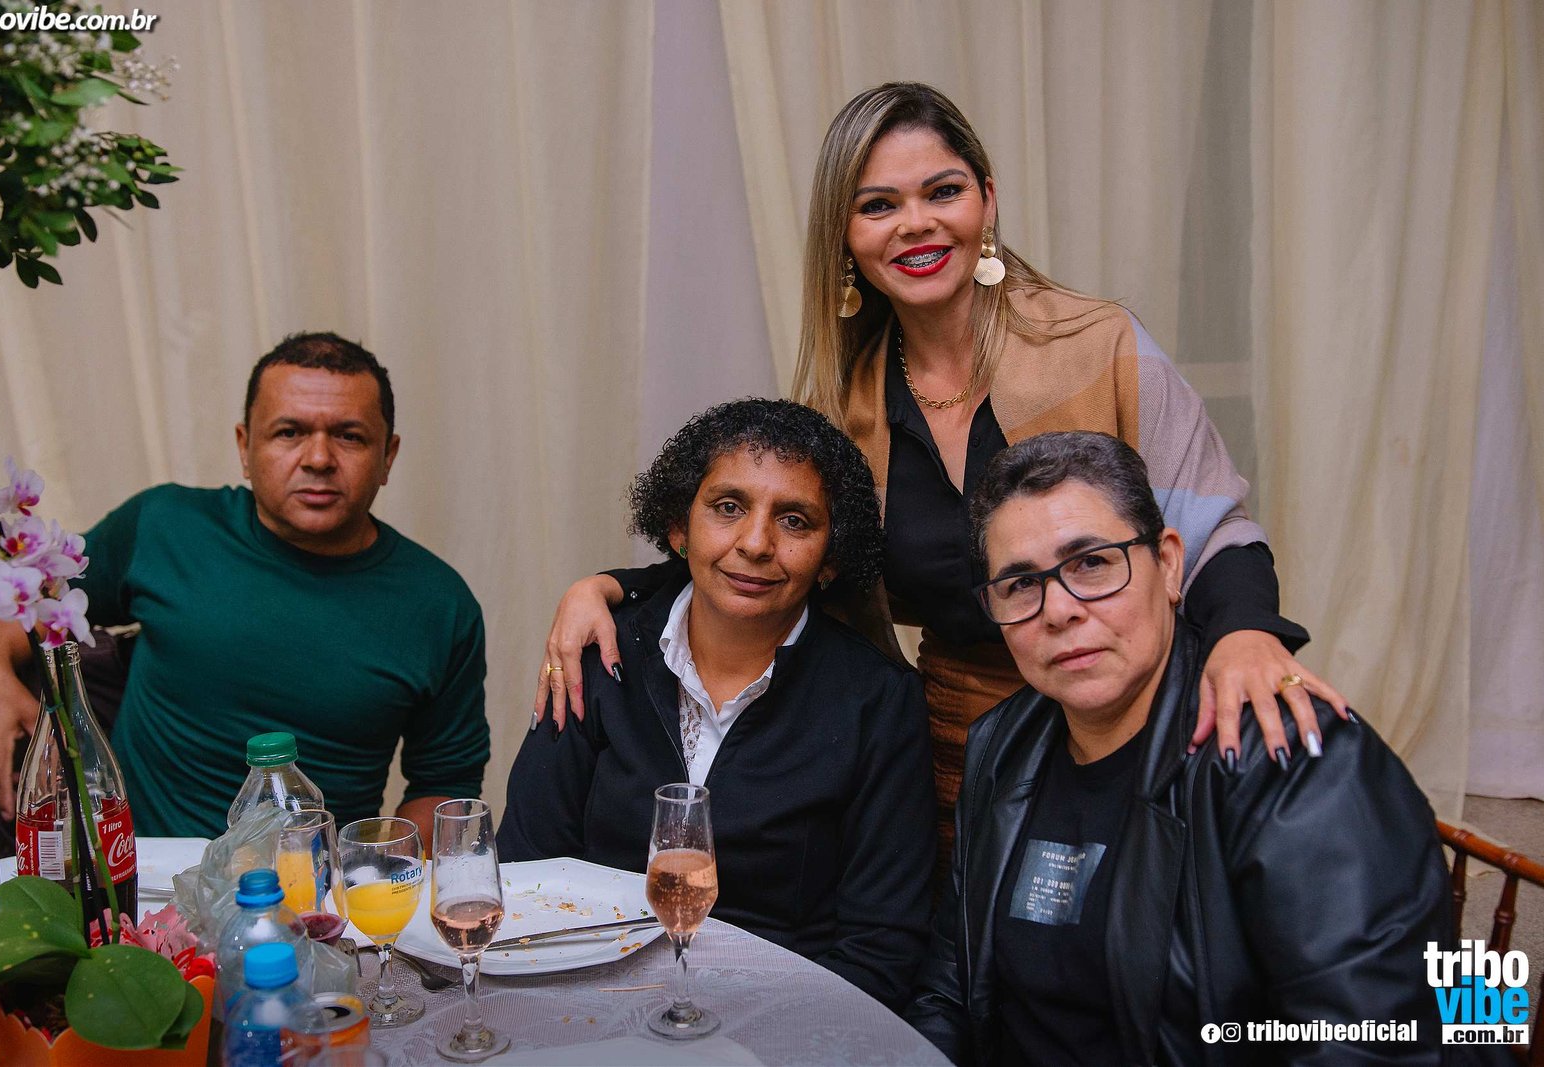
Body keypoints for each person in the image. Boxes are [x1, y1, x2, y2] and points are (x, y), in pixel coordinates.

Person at [535, 82, 1346, 867]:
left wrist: (1246, 634)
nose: (915, 223)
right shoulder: (843, 409)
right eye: (878, 204)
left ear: (987, 200)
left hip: (1141, 721)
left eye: (943, 191)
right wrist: (611, 589)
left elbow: (1212, 527)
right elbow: (776, 562)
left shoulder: (1100, 345)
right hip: (960, 751)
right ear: (845, 236)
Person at [905, 431, 1458, 1065]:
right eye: (1021, 584)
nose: (1057, 610)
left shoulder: (1293, 760)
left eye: (1092, 563)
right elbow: (949, 991)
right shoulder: (1001, 746)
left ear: (1169, 565)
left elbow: (1372, 1045)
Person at [0, 332, 488, 844]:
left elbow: (443, 784)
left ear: (388, 456)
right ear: (244, 447)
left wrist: (373, 876)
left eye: (349, 436)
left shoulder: (439, 604)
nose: (319, 459)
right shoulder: (164, 525)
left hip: (310, 888)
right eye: (289, 432)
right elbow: (42, 592)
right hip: (137, 877)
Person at [499, 398, 935, 1011]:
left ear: (831, 558)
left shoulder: (879, 702)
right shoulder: (597, 653)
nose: (755, 543)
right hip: (588, 1002)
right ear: (679, 528)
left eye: (795, 521)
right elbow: (525, 870)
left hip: (779, 1020)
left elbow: (880, 950)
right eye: (728, 508)